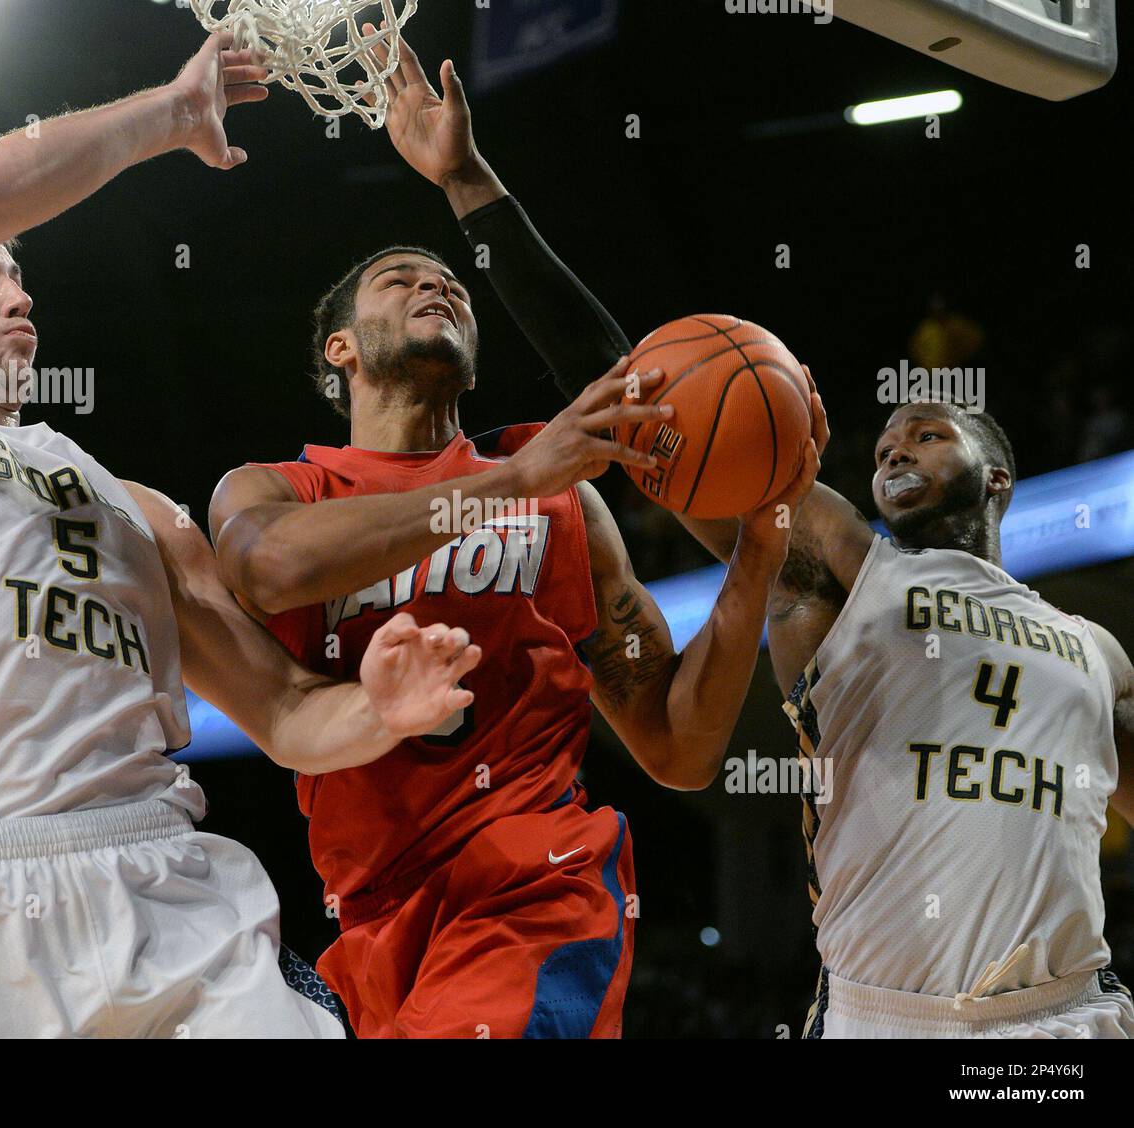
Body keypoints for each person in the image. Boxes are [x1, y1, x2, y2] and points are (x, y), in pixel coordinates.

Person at [378, 34, 1134, 1038]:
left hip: (1066, 1023)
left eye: (927, 430)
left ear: (996, 476)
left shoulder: (1097, 652)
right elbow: (632, 398)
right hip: (888, 1019)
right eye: (885, 440)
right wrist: (471, 182)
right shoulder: (845, 569)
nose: (893, 444)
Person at [0, 32, 479, 1039]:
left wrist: (380, 709)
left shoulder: (143, 509)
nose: (19, 293)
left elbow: (282, 715)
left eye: (18, 277)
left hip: (162, 883)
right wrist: (166, 116)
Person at [207, 44, 824, 1041]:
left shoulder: (563, 501)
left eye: (451, 284)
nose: (435, 288)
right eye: (401, 280)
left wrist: (754, 560)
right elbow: (268, 568)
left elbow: (678, 749)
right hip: (367, 923)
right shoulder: (283, 490)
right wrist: (508, 483)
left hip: (534, 889)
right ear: (339, 348)